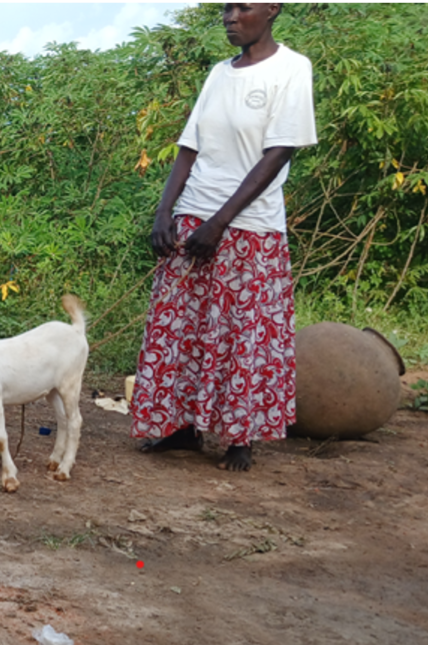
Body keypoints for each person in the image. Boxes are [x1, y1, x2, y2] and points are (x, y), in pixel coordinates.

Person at [132, 2, 316, 472]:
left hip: (248, 228)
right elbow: (189, 147)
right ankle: (181, 429)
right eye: (226, 9)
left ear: (272, 9)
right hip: (193, 218)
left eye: (242, 7)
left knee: (241, 333)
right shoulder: (219, 73)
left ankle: (240, 437)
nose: (230, 17)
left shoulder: (292, 70)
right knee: (181, 330)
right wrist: (164, 211)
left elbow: (277, 154)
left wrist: (221, 221)